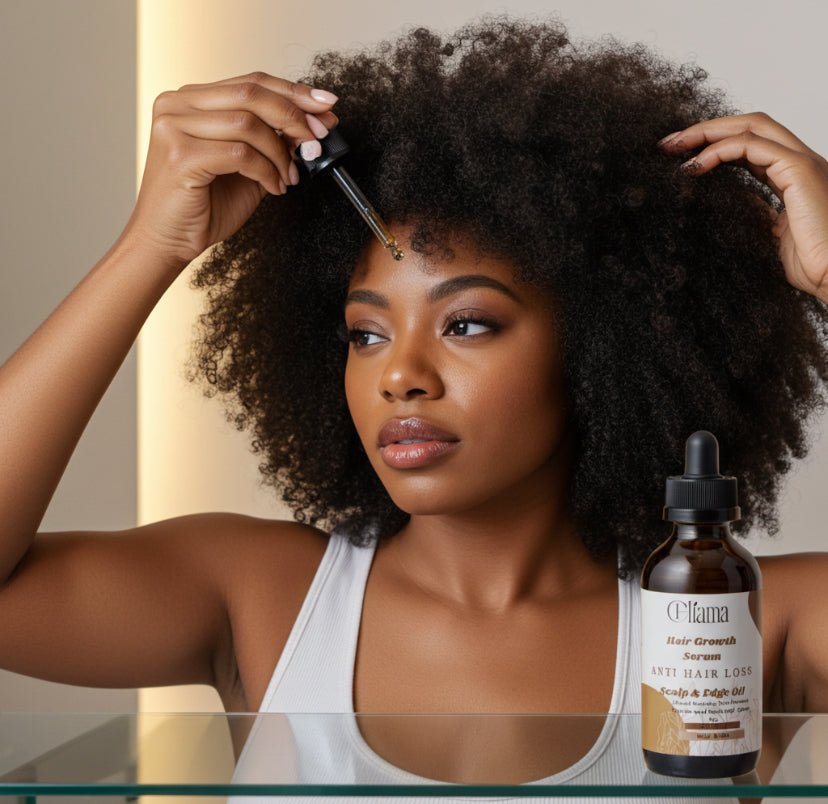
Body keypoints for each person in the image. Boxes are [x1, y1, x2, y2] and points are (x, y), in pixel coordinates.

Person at [1, 15, 827, 791]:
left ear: (606, 349)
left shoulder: (733, 620)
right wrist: (152, 243)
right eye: (365, 335)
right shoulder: (264, 595)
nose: (401, 375)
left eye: (466, 323)